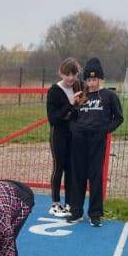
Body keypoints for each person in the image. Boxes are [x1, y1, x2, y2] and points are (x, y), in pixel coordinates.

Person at [67, 57, 124, 227]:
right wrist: (74, 129)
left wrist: (104, 131)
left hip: (96, 140)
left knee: (95, 176)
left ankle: (95, 214)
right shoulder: (81, 96)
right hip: (79, 141)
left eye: (95, 79)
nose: (92, 83)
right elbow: (72, 116)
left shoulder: (109, 96)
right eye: (89, 79)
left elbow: (118, 118)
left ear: (101, 79)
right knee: (77, 176)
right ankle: (76, 212)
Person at [45, 58, 83, 217]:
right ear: (61, 73)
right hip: (58, 133)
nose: (71, 78)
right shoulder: (54, 90)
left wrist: (79, 105)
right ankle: (55, 203)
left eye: (74, 74)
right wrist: (70, 103)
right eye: (67, 74)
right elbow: (53, 118)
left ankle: (69, 202)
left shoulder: (78, 86)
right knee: (58, 167)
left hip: (73, 133)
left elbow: (77, 111)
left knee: (71, 168)